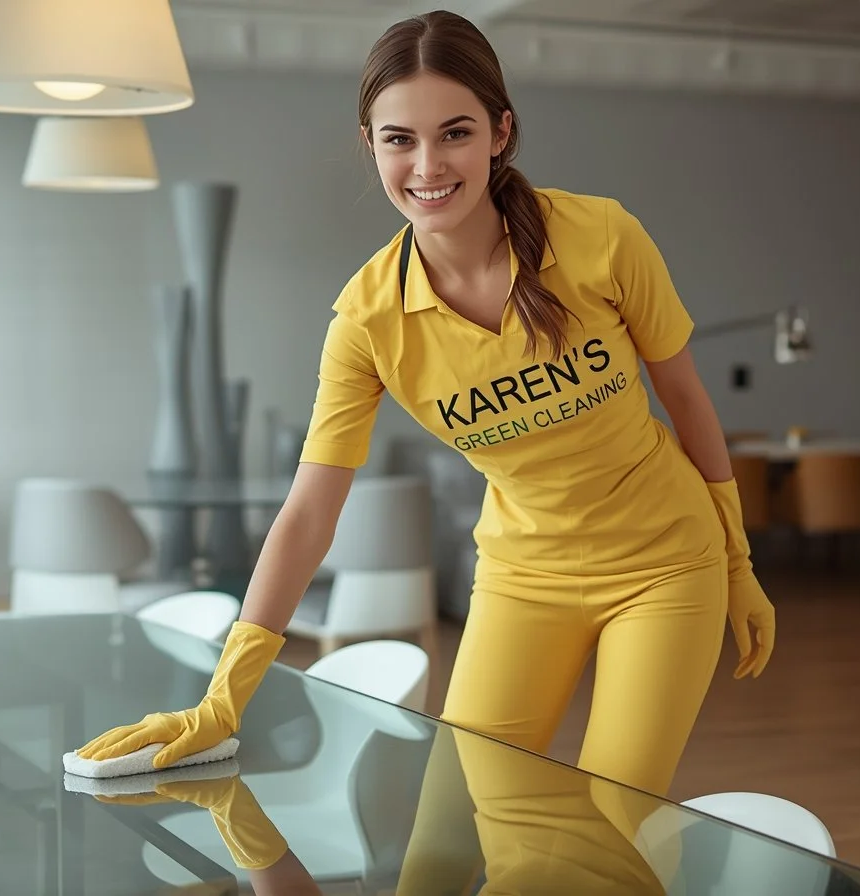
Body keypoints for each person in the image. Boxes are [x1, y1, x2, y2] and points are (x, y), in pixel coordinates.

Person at [78, 9, 775, 799]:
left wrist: (737, 560)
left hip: (665, 565)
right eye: (399, 139)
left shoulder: (602, 238)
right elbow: (309, 512)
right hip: (522, 575)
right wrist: (223, 698)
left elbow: (684, 397)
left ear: (500, 133)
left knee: (612, 820)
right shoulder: (367, 320)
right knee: (450, 826)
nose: (427, 165)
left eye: (455, 133)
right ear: (371, 145)